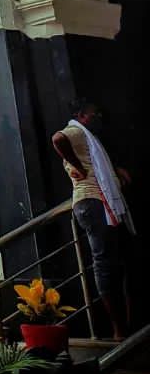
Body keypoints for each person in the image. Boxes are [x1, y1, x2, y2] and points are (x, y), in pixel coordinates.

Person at [52, 99, 134, 339]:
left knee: (113, 262)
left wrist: (115, 172)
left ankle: (124, 326)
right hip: (93, 203)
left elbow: (96, 163)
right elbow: (58, 139)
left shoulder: (89, 138)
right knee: (105, 264)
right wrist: (78, 165)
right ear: (81, 115)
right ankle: (119, 329)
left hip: (98, 204)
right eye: (94, 114)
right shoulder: (76, 131)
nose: (98, 117)